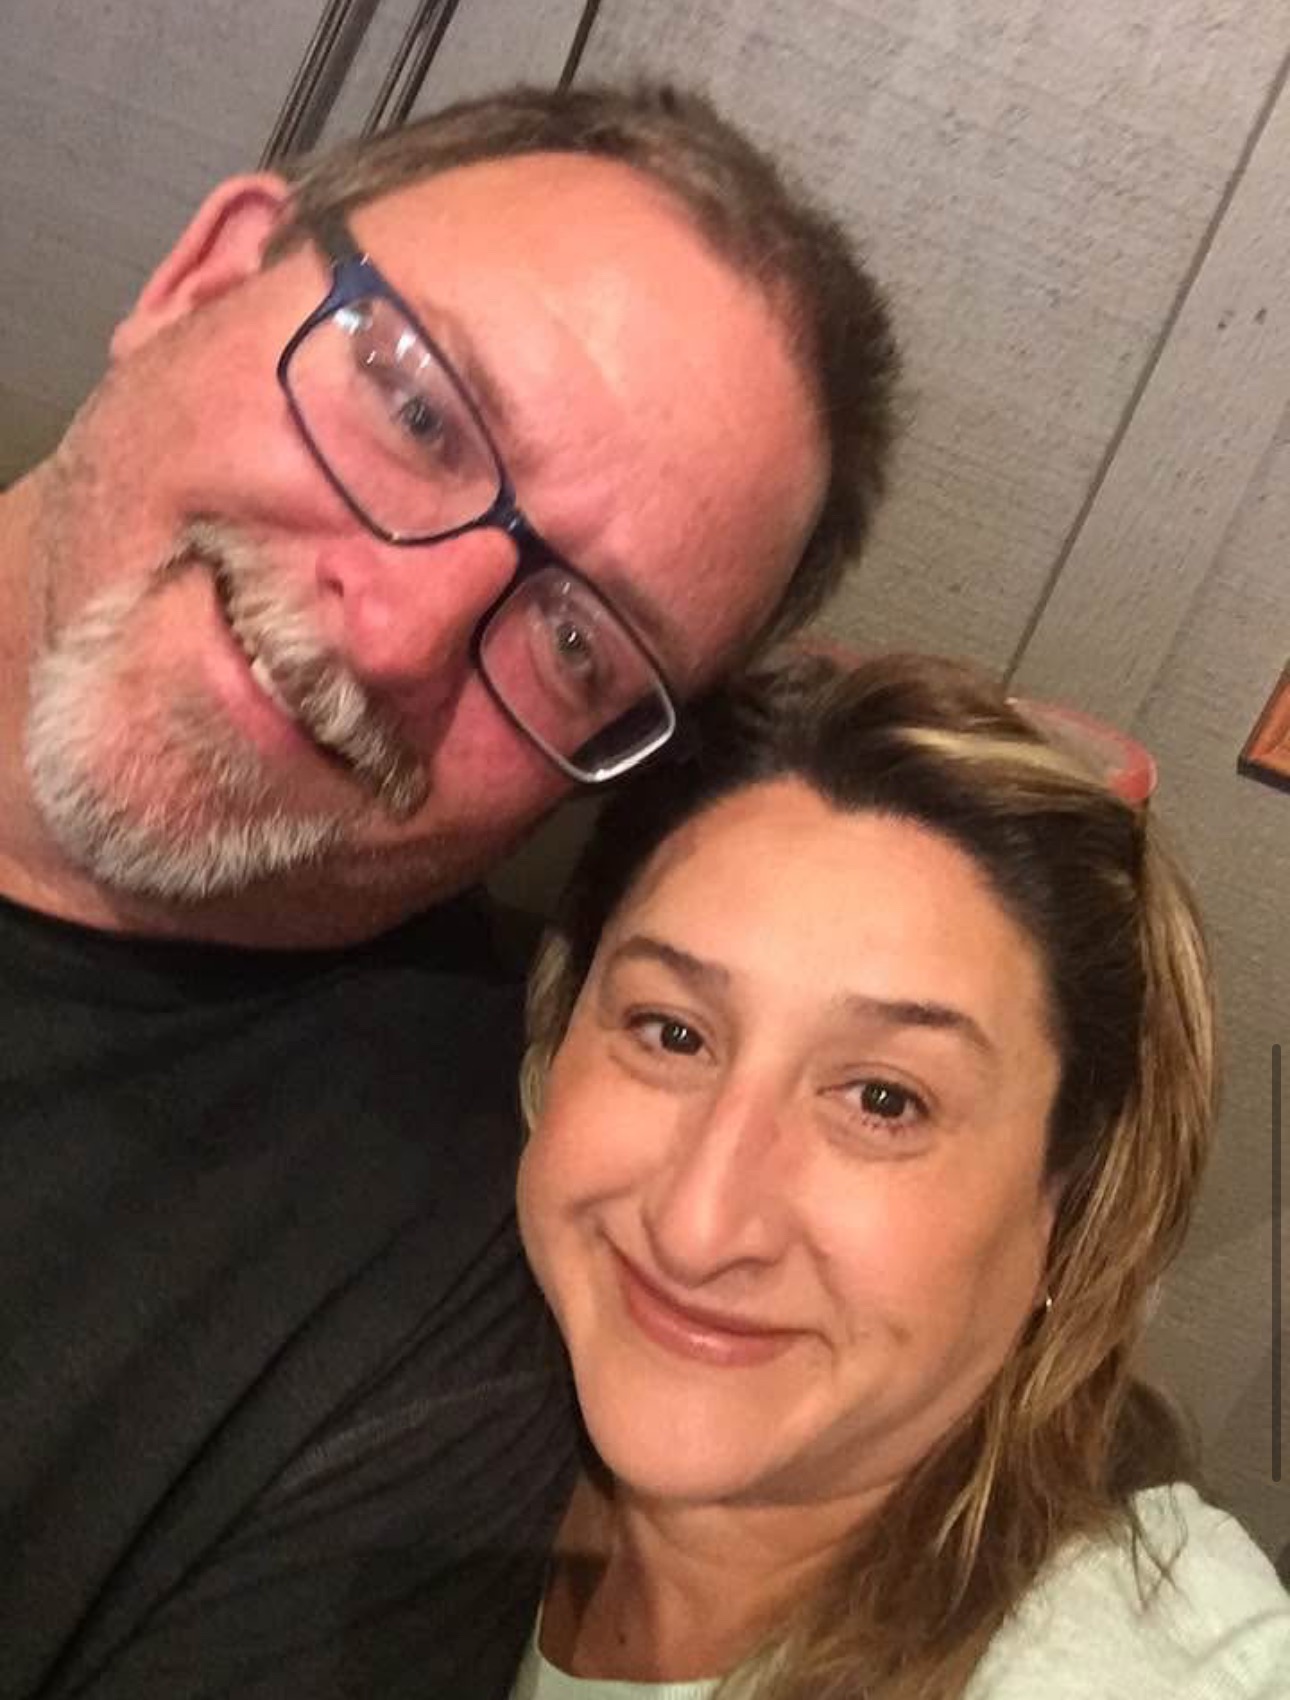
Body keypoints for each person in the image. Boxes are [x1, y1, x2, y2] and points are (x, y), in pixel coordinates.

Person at [0, 84, 898, 1699]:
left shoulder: (437, 1317)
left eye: (573, 643)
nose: (399, 632)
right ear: (203, 277)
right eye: (418, 413)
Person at [514, 652, 1290, 1700]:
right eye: (672, 1031)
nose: (699, 1225)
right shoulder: (440, 1373)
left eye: (884, 1099)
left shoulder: (1151, 1663)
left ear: (1071, 1206)